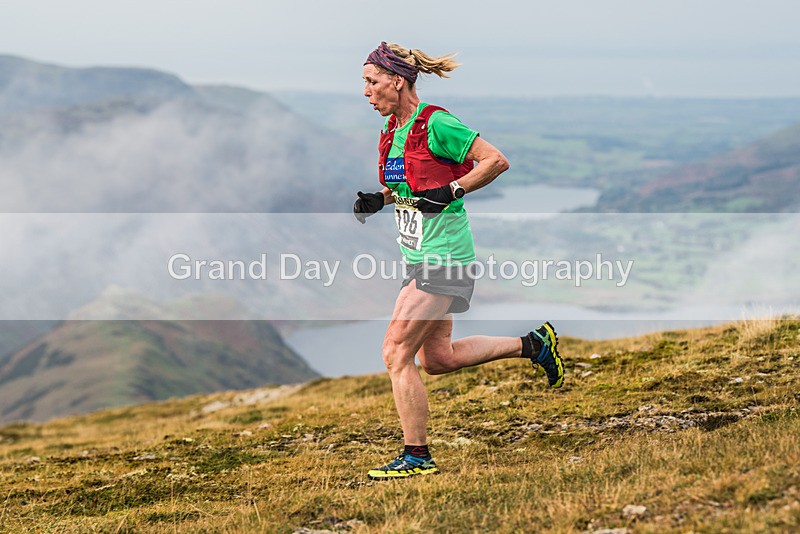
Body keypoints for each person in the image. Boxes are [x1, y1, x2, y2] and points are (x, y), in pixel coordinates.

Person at [354, 42, 564, 480]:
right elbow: (415, 183)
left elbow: (495, 161)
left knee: (395, 354)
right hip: (419, 259)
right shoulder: (393, 130)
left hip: (444, 260)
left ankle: (417, 457)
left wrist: (454, 191)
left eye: (372, 83)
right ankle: (534, 344)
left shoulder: (437, 123)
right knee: (438, 359)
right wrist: (382, 197)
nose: (367, 93)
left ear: (397, 80)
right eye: (365, 85)